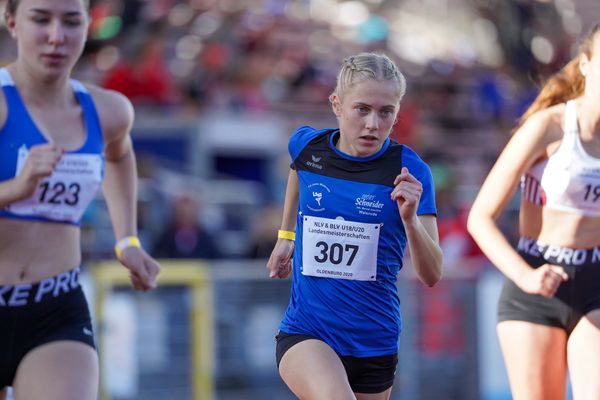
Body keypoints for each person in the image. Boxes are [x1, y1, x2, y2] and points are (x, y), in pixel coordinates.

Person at [0, 1, 161, 399]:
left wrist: (127, 240)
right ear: (11, 22)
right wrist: (14, 190)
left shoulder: (109, 111)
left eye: (71, 22)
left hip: (55, 307)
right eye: (41, 19)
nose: (57, 36)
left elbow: (119, 155)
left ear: (88, 25)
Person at [267, 52, 443, 400]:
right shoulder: (308, 146)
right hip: (308, 333)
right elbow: (296, 172)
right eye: (361, 109)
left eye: (385, 112)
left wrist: (409, 221)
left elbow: (432, 274)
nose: (372, 124)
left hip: (374, 342)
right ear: (337, 104)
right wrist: (285, 236)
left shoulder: (410, 170)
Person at [467, 23, 600, 400]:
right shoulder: (550, 127)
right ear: (587, 64)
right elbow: (481, 217)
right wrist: (525, 276)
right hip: (537, 283)